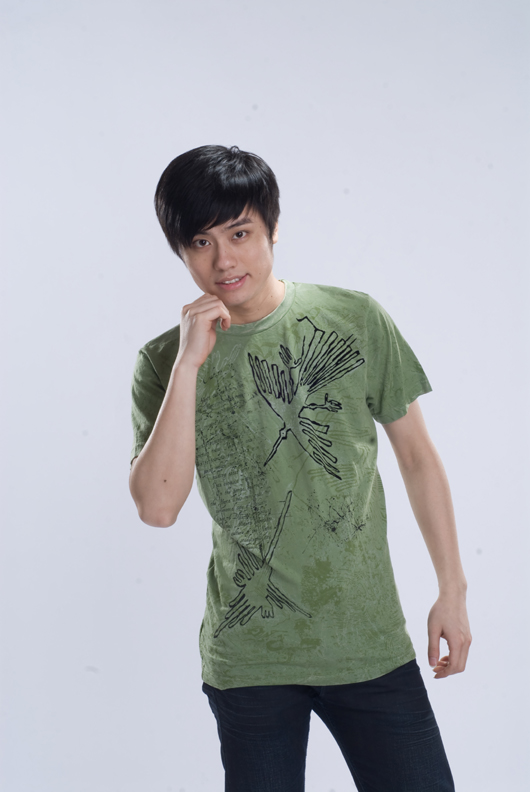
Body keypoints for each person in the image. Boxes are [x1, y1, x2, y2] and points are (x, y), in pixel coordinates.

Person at [129, 144, 471, 792]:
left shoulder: (353, 319)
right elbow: (158, 507)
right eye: (200, 241)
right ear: (180, 250)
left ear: (273, 228)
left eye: (239, 233)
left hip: (368, 644)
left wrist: (451, 590)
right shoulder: (163, 364)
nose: (223, 260)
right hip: (251, 660)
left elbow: (418, 458)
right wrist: (189, 365)